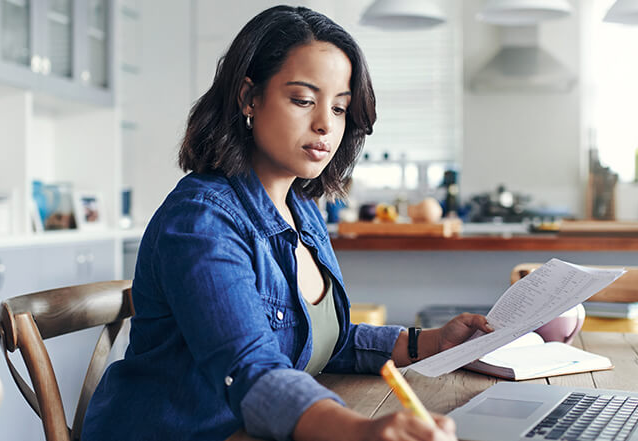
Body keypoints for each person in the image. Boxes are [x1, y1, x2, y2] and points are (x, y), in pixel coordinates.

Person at [81, 5, 492, 441]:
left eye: (339, 108)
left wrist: (429, 343)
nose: (324, 125)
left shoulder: (304, 210)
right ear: (248, 98)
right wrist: (360, 432)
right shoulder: (201, 222)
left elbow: (316, 339)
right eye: (303, 100)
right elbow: (252, 369)